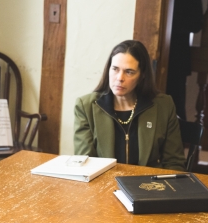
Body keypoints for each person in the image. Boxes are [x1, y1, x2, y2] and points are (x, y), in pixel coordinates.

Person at [74, 40, 186, 171]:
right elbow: (86, 164)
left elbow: (174, 163)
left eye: (129, 72)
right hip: (104, 185)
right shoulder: (85, 106)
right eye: (115, 69)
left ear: (142, 75)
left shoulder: (164, 105)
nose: (119, 78)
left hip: (149, 185)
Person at [166, 0, 204, 121]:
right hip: (175, 53)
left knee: (175, 108)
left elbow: (196, 23)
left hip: (176, 55)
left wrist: (168, 25)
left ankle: (174, 144)